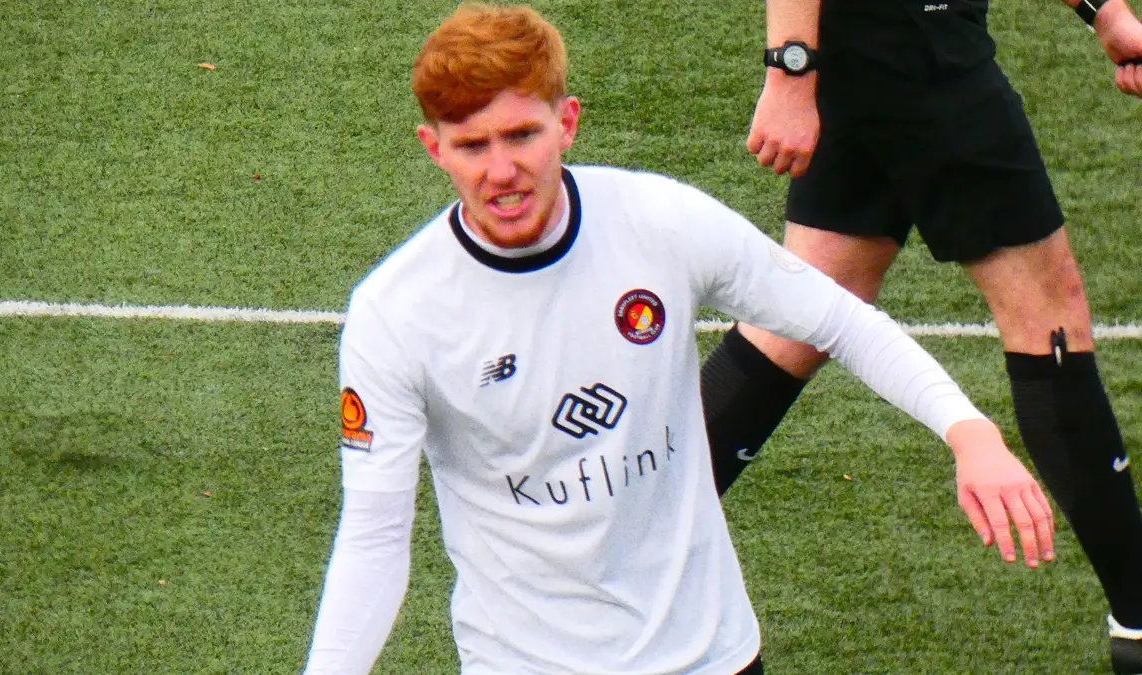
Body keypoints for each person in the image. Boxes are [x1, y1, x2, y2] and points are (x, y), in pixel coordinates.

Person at [303, 4, 1056, 674]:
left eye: (522, 135)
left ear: (567, 123)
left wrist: (968, 430)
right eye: (473, 145)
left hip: (712, 655)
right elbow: (374, 537)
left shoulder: (658, 223)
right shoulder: (397, 312)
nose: (502, 170)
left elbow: (840, 319)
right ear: (434, 148)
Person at [701, 0, 1142, 670]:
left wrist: (1101, 13)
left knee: (799, 318)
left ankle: (617, 534)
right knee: (1048, 318)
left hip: (867, 49)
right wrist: (788, 72)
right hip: (920, 49)